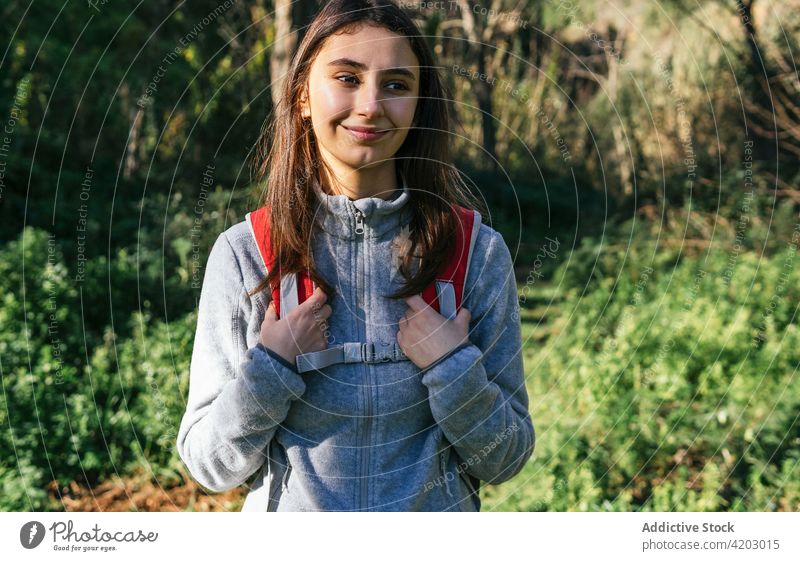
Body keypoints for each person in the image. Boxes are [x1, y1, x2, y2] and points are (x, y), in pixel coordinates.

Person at [176, 0, 534, 512]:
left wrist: (452, 365)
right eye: (346, 78)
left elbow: (506, 458)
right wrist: (273, 364)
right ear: (302, 95)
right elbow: (210, 465)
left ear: (418, 104)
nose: (370, 106)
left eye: (395, 85)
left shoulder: (474, 253)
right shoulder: (246, 253)